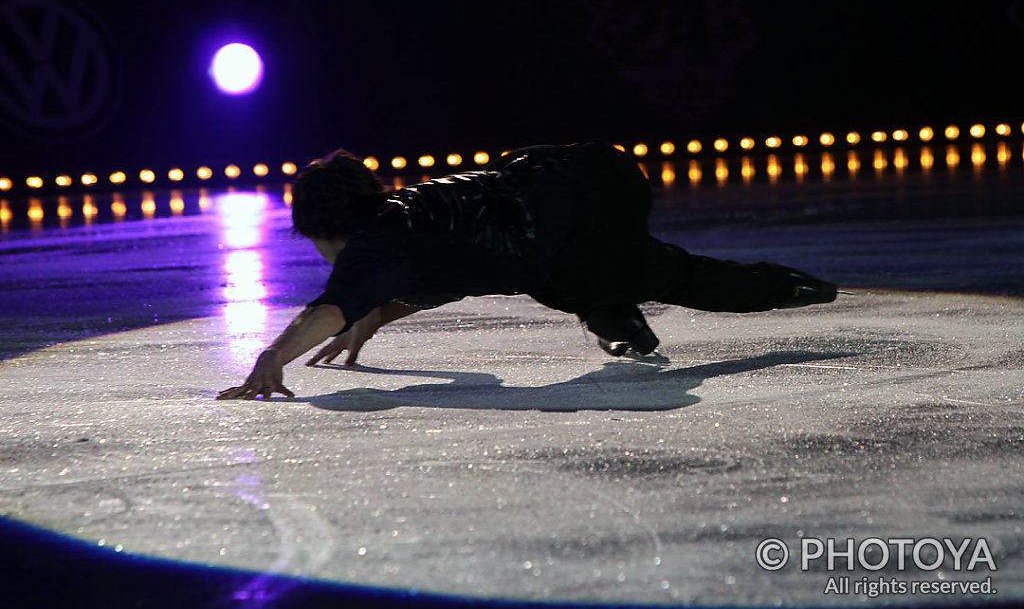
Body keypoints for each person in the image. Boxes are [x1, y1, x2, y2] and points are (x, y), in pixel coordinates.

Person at [218, 141, 837, 400]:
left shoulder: (371, 251)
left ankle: (622, 310)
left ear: (323, 230)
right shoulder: (409, 211)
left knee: (663, 277)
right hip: (596, 171)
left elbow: (329, 308)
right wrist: (376, 315)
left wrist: (272, 358)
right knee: (607, 277)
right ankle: (617, 310)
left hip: (574, 242)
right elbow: (448, 269)